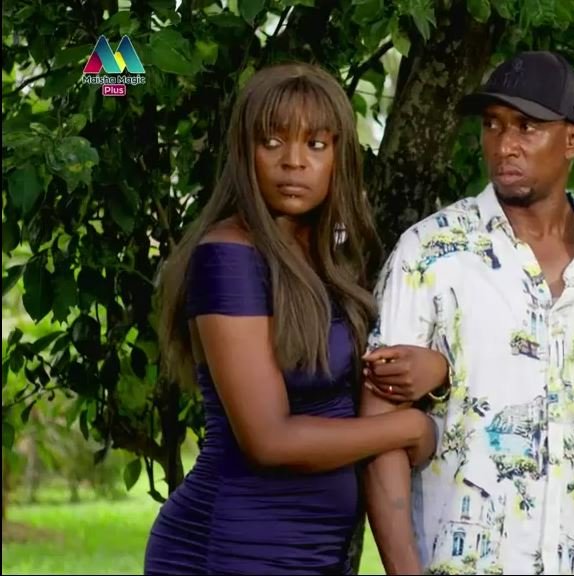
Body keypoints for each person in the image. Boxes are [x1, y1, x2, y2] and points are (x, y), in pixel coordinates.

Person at [359, 51, 574, 575]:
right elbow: (381, 426)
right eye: (493, 124)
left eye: (527, 127)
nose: (504, 144)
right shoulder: (430, 254)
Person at [144, 62, 438, 575]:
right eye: (273, 142)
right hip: (234, 549)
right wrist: (411, 427)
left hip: (311, 552)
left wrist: (435, 370)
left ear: (338, 157)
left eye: (315, 145)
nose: (293, 162)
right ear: (245, 153)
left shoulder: (326, 257)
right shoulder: (227, 256)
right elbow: (269, 439)